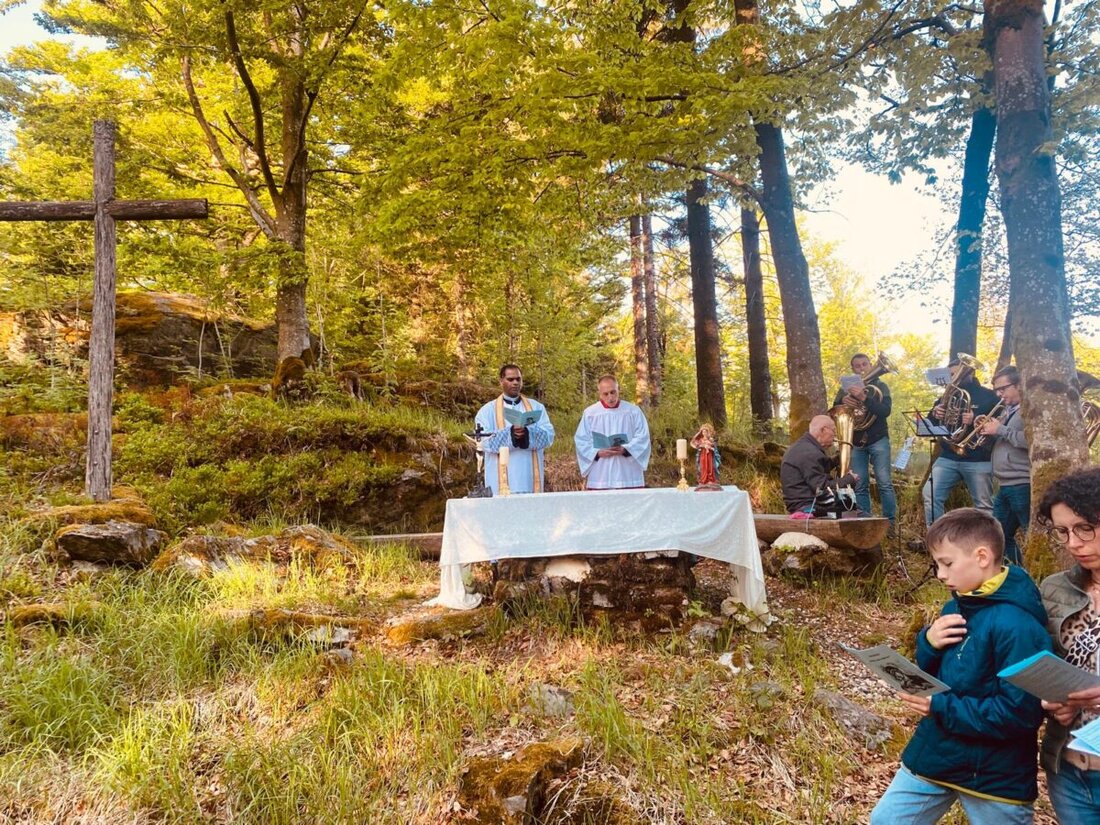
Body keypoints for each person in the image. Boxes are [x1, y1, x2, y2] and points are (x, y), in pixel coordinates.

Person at [870, 508, 1052, 825]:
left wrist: (939, 706)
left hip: (996, 774)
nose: (940, 574)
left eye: (947, 563)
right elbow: (943, 672)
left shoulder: (1019, 626)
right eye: (937, 564)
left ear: (982, 556)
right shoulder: (956, 605)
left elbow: (1020, 714)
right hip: (937, 754)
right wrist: (929, 643)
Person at [1035, 467, 1100, 825]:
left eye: (1085, 528)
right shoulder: (1055, 589)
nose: (1074, 543)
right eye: (1063, 531)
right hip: (1070, 772)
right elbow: (1047, 664)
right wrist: (1051, 702)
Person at [922, 359, 999, 526]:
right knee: (930, 494)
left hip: (979, 458)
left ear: (970, 373)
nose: (953, 378)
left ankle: (987, 543)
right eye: (950, 375)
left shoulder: (988, 396)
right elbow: (929, 425)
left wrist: (975, 419)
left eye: (956, 373)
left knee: (984, 506)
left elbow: (999, 422)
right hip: (949, 456)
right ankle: (937, 538)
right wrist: (935, 414)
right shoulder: (945, 396)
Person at [832, 353, 897, 532]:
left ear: (870, 365)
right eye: (857, 366)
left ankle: (890, 525)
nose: (861, 368)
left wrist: (863, 398)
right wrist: (842, 401)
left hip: (878, 439)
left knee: (884, 483)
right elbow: (836, 409)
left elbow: (885, 411)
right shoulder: (845, 388)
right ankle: (865, 523)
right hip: (856, 440)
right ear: (853, 369)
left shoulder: (880, 386)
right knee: (859, 484)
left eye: (864, 365)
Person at [473, 364, 555, 495]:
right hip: (499, 480)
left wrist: (527, 434)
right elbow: (484, 442)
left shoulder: (537, 407)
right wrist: (512, 434)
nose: (515, 383)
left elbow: (549, 436)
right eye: (510, 379)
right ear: (501, 381)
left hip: (529, 476)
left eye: (518, 379)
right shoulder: (487, 411)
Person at [979, 365, 1029, 566]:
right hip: (1005, 483)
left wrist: (1001, 429)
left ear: (1019, 384)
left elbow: (1032, 442)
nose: (999, 394)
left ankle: (1041, 577)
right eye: (996, 390)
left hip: (1022, 482)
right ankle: (1019, 574)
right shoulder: (1008, 411)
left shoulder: (1029, 410)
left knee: (1032, 536)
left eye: (1003, 388)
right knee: (998, 536)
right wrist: (989, 432)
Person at [573, 375, 651, 489]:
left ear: (618, 389)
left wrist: (626, 449)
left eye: (613, 392)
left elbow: (643, 437)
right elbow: (581, 441)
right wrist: (597, 453)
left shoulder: (633, 411)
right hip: (600, 474)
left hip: (628, 474)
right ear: (599, 393)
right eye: (606, 394)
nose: (610, 397)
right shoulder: (590, 413)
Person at [779, 414, 859, 515]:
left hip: (805, 503)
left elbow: (817, 468)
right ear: (823, 430)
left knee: (852, 510)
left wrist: (839, 458)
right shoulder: (810, 453)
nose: (835, 435)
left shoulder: (804, 447)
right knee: (859, 516)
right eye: (834, 431)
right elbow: (822, 489)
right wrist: (849, 479)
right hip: (808, 506)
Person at [690, 422, 721, 488]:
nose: (704, 433)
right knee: (703, 466)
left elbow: (715, 448)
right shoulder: (700, 440)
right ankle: (703, 480)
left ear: (708, 432)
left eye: (705, 432)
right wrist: (703, 445)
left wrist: (711, 448)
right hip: (703, 455)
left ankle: (711, 480)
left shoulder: (711, 440)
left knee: (710, 466)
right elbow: (694, 443)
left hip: (710, 455)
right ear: (701, 432)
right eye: (703, 432)